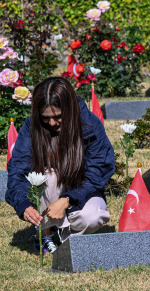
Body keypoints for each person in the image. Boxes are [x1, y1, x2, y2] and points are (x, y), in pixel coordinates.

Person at [7, 77, 115, 252]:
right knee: (47, 175)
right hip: (48, 189)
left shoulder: (90, 125)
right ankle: (47, 231)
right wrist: (23, 204)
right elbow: (19, 169)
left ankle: (58, 236)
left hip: (83, 190)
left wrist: (68, 199)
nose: (51, 123)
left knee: (93, 218)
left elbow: (98, 170)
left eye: (58, 116)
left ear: (70, 108)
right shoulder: (30, 127)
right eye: (45, 118)